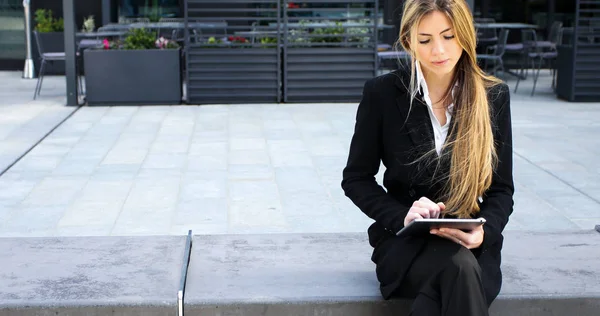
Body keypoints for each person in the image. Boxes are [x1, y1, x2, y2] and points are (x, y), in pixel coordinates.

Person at [341, 0, 514, 315]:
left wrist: (485, 233)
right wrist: (402, 215)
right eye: (425, 40)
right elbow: (356, 178)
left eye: (449, 36)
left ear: (465, 34)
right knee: (458, 271)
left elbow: (501, 189)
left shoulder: (493, 96)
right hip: (404, 244)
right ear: (408, 41)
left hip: (472, 242)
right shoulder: (382, 93)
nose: (438, 50)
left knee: (458, 268)